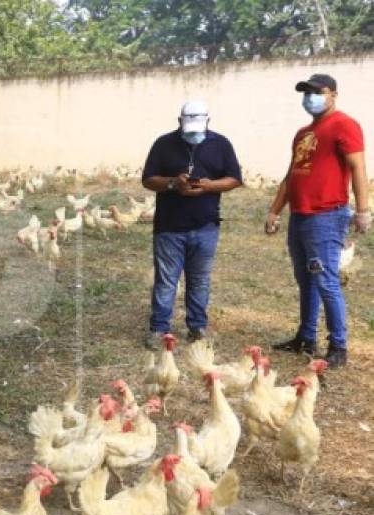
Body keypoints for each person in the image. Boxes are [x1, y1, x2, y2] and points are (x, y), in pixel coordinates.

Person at [265, 73, 370, 368]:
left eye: (316, 91)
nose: (310, 97)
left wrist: (363, 210)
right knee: (306, 280)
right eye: (306, 92)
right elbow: (291, 175)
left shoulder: (344, 125)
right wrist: (275, 210)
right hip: (300, 215)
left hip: (326, 215)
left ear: (333, 94)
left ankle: (338, 345)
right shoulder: (303, 133)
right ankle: (306, 337)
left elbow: (358, 167)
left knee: (325, 281)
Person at [141, 101, 243, 350]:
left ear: (208, 121)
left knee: (199, 280)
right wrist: (174, 184)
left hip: (205, 226)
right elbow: (148, 179)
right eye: (189, 129)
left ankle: (197, 327)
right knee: (167, 281)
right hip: (169, 226)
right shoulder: (163, 144)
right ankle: (159, 329)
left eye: (198, 128)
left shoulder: (221, 144)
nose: (193, 134)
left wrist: (209, 186)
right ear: (179, 121)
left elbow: (234, 179)